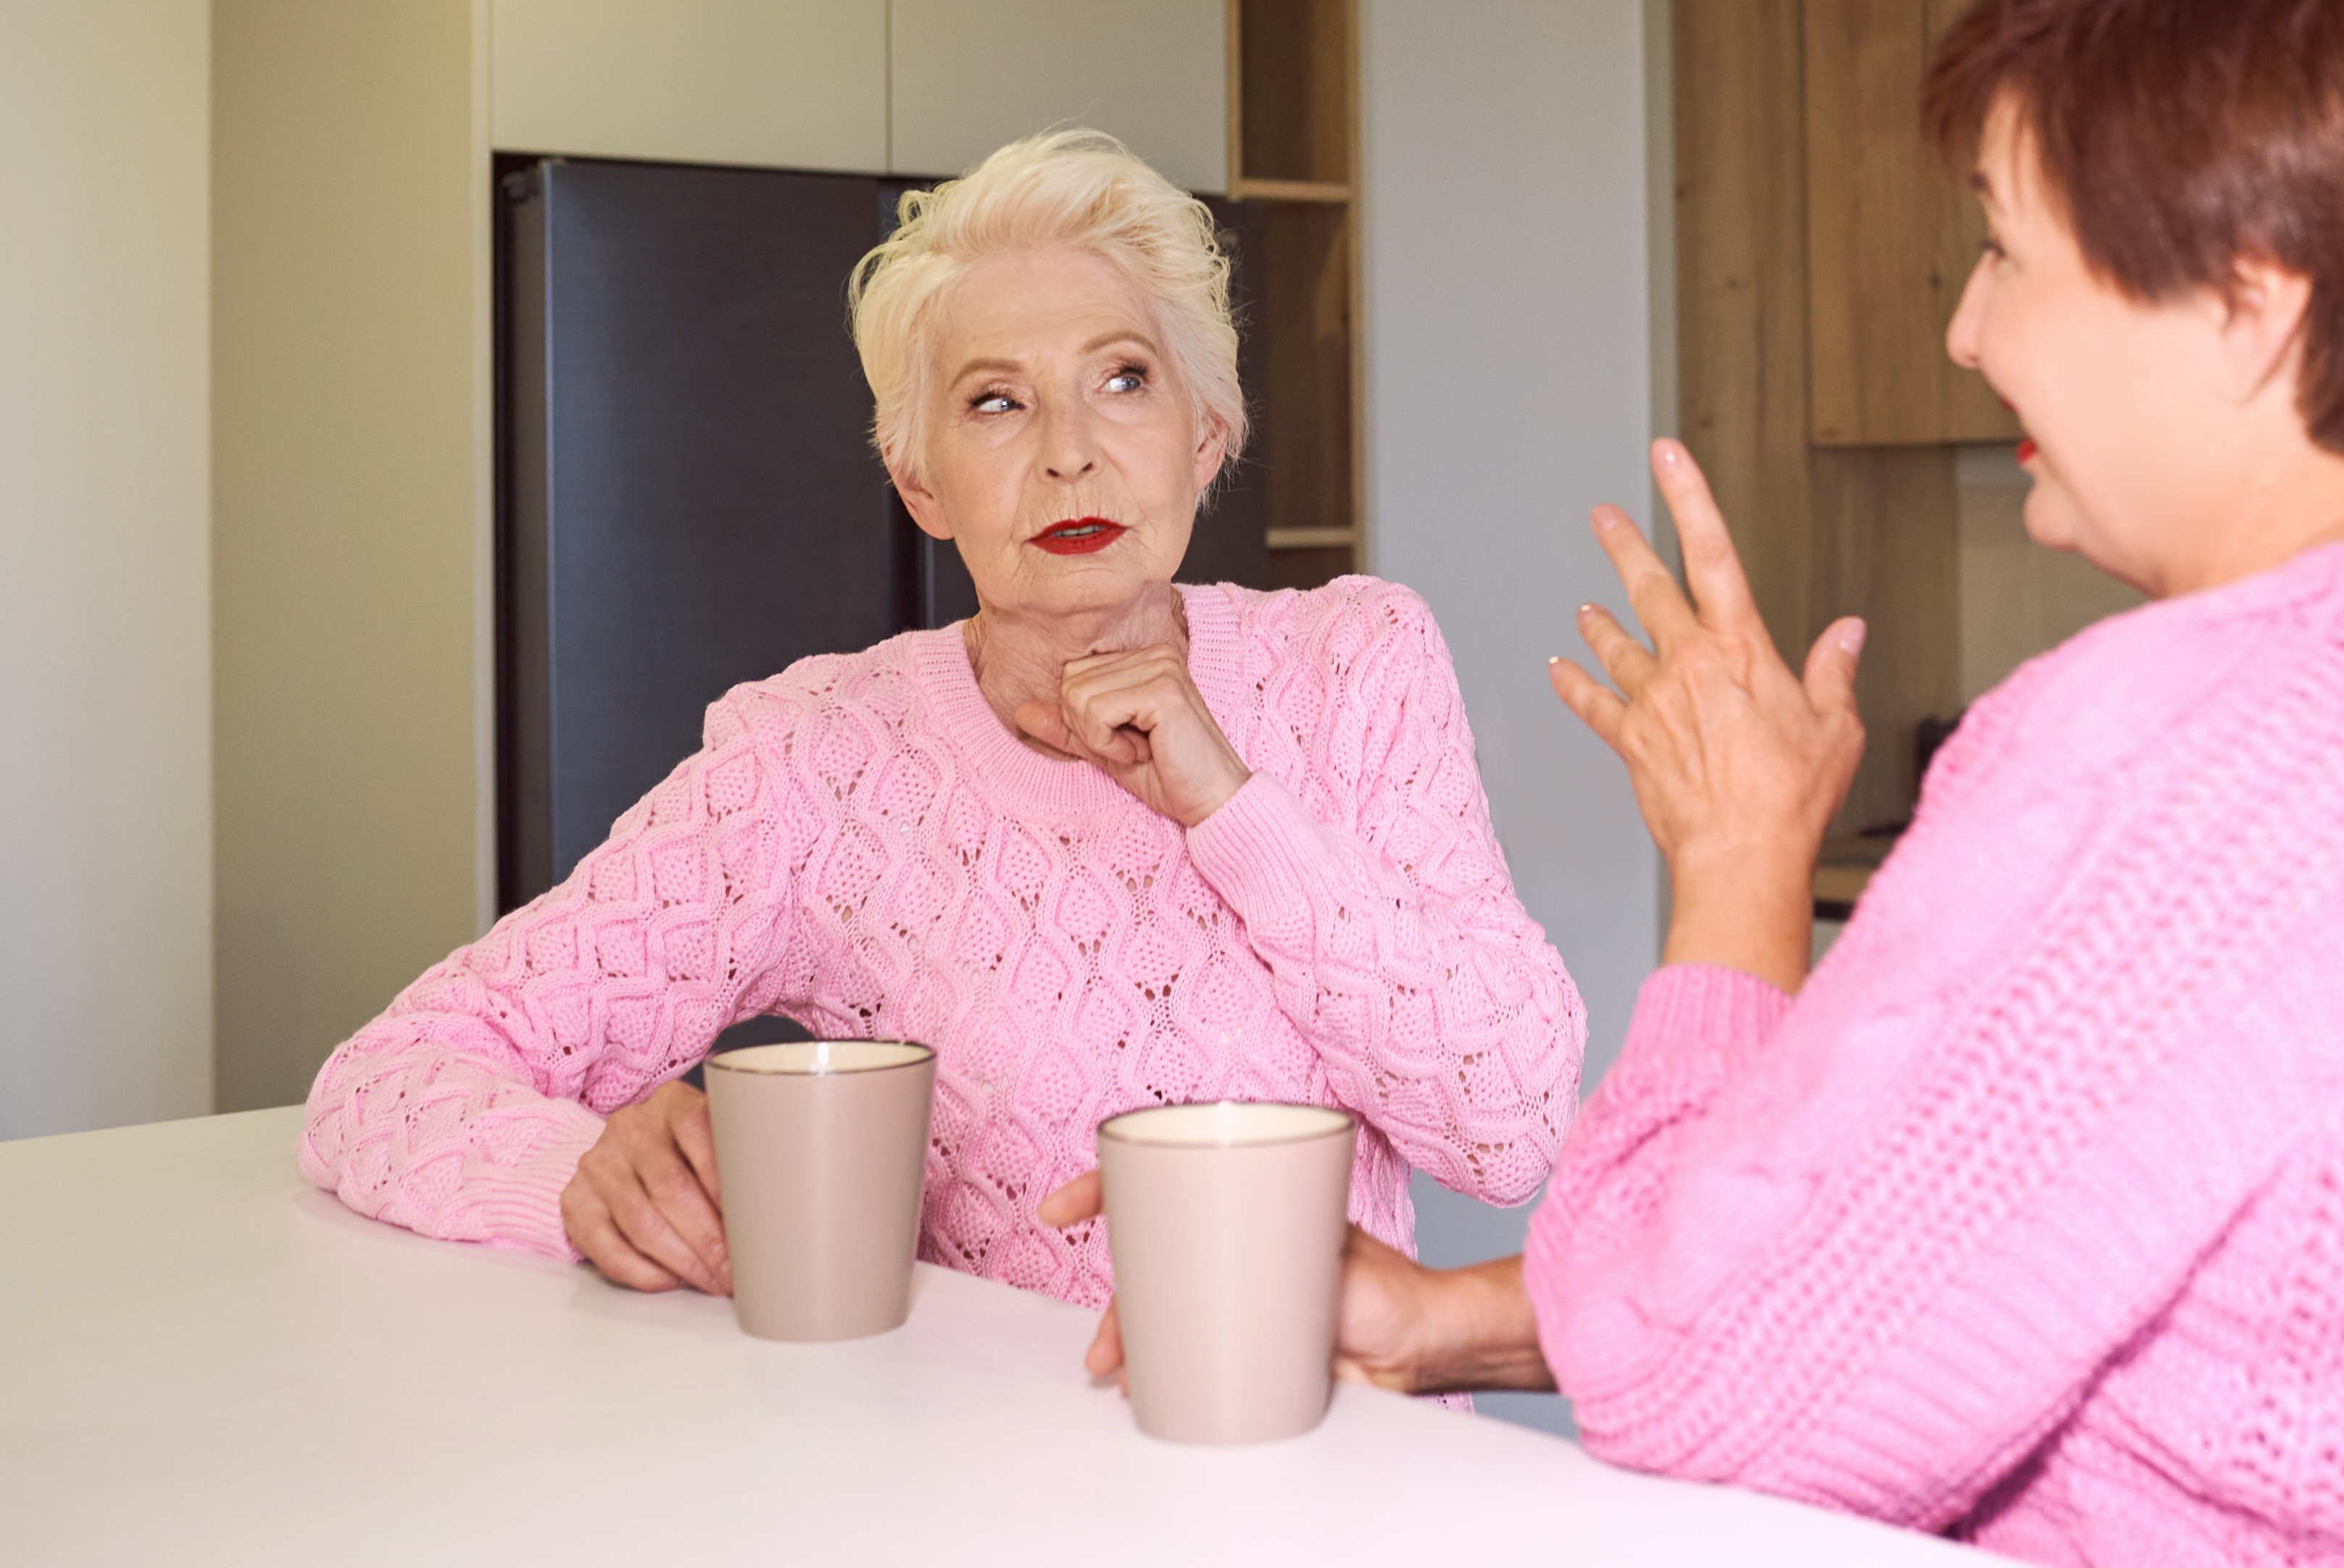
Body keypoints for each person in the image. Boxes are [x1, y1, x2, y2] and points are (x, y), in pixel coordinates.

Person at [1291, 0, 2344, 1561]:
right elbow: (1962, 1270)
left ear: (2246, 303)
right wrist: (1444, 1324)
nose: (1967, 328)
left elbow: (1696, 1384)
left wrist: (1737, 874)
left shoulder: (2184, 741)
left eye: (2006, 246)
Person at [302, 130, 1585, 1309]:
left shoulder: (1355, 665)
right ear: (922, 482)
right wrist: (585, 1172)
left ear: (1206, 432)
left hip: (1338, 1498)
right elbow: (388, 1077)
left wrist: (1231, 805)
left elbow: (1512, 1126)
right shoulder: (820, 761)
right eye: (995, 401)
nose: (1068, 451)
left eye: (1123, 380)